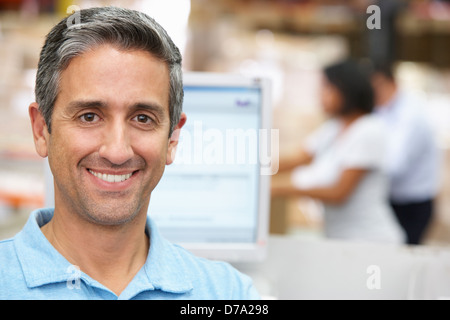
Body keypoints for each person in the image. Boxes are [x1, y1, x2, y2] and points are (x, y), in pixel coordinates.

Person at [0, 6, 260, 300]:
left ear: (173, 137)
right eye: (89, 116)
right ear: (40, 130)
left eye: (142, 118)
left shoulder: (228, 293)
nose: (117, 151)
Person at [272, 59, 405, 243]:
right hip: (341, 240)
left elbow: (339, 193)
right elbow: (298, 159)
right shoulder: (333, 129)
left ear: (347, 90)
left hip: (370, 241)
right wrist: (252, 168)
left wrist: (278, 189)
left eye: (327, 88)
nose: (320, 95)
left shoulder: (369, 130)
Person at [370, 61, 440, 245]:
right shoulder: (380, 110)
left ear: (390, 82)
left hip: (412, 202)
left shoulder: (411, 114)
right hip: (390, 197)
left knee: (404, 257)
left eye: (375, 87)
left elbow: (395, 164)